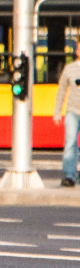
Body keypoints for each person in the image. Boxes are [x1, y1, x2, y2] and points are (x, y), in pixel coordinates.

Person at [56, 40, 80, 187]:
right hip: (73, 111)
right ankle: (69, 175)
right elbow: (61, 91)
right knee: (70, 142)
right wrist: (57, 112)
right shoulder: (69, 69)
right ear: (77, 51)